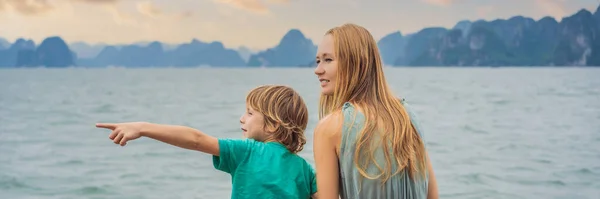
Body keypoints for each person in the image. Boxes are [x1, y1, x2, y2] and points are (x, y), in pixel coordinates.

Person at [95, 85, 319, 199]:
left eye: (250, 113)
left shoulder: (248, 152)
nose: (242, 118)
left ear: (272, 124)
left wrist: (142, 128)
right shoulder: (305, 170)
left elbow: (195, 140)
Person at [312, 23, 439, 199]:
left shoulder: (330, 128)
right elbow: (432, 195)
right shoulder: (406, 115)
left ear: (355, 63)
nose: (318, 70)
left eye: (328, 60)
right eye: (318, 61)